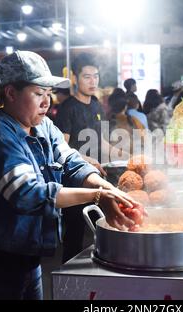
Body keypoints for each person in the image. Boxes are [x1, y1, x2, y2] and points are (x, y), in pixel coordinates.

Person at [0, 50, 137, 300]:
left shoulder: (43, 125)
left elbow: (72, 162)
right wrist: (98, 196)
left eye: (48, 94)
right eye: (38, 94)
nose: (47, 103)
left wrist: (107, 188)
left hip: (29, 260)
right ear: (11, 93)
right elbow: (28, 194)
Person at [54, 53, 130, 263]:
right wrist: (86, 159)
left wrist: (128, 157)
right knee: (75, 234)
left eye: (95, 76)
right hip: (75, 179)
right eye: (86, 76)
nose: (92, 81)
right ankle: (69, 279)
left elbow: (103, 143)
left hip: (99, 176)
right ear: (75, 78)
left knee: (103, 229)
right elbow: (61, 146)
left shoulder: (96, 105)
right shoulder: (67, 108)